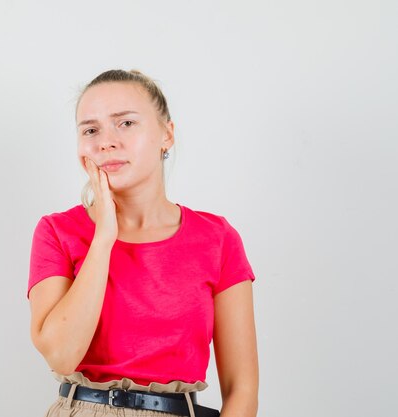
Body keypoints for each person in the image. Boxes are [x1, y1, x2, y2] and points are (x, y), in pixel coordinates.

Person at [27, 69, 258, 417]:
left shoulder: (217, 239)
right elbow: (61, 354)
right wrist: (104, 236)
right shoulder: (57, 231)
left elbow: (242, 387)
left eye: (126, 123)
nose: (106, 142)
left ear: (166, 135)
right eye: (91, 129)